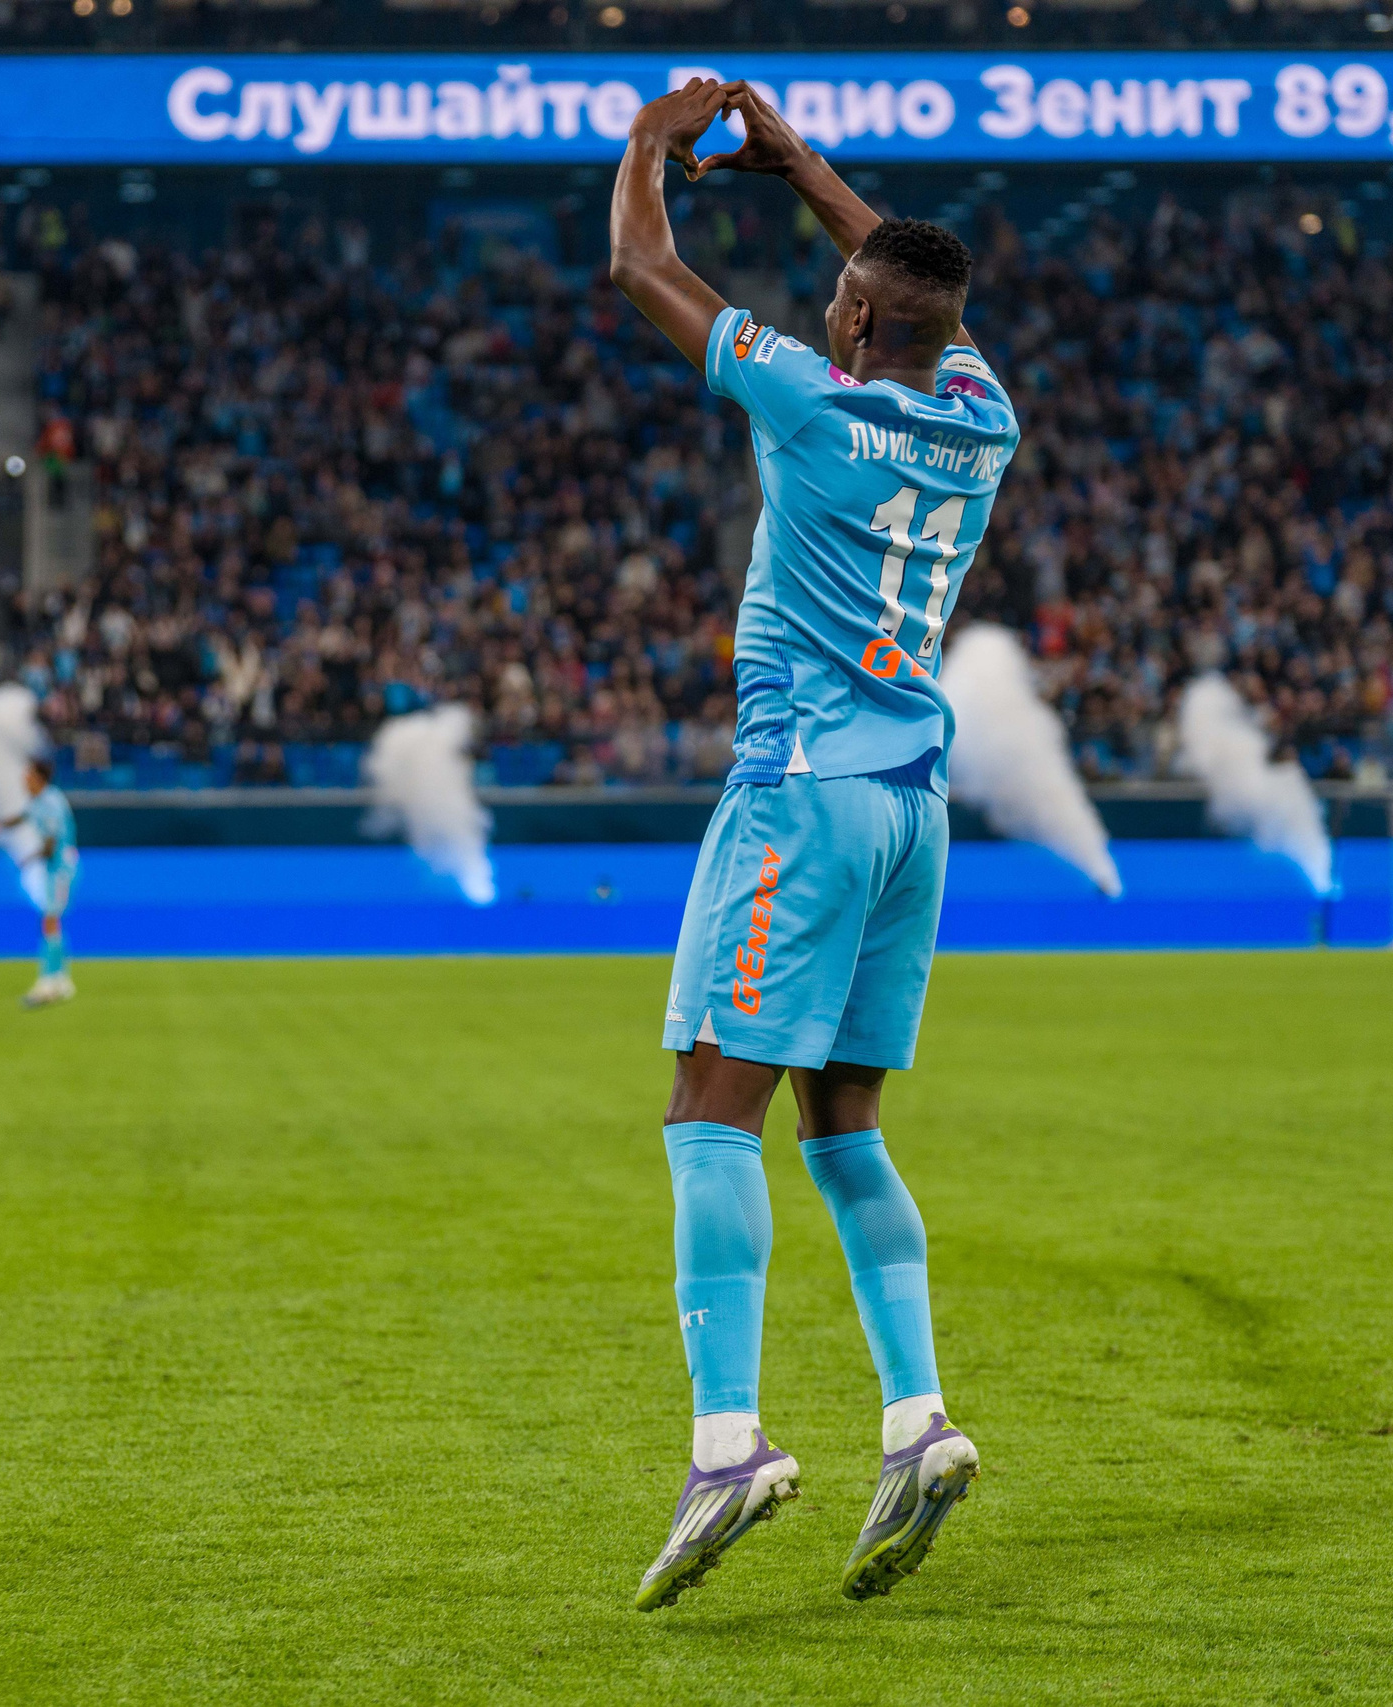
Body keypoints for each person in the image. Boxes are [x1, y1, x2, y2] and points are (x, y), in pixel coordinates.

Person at [608, 78, 1018, 1611]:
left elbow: (644, 274)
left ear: (845, 321)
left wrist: (654, 141)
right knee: (844, 1129)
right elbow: (922, 279)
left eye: (838, 295)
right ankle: (917, 1416)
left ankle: (730, 1442)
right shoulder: (983, 419)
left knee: (710, 1110)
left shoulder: (811, 396)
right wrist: (793, 164)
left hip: (801, 795)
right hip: (917, 806)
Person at [0, 757, 78, 1009]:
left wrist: (27, 859)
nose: (24, 780)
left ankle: (48, 980)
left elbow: (51, 846)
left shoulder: (52, 803)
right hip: (55, 868)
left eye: (28, 776)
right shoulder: (39, 801)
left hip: (62, 868)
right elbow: (22, 817)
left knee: (50, 920)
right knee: (51, 922)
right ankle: (61, 979)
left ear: (39, 778)